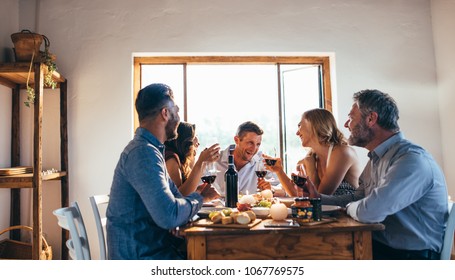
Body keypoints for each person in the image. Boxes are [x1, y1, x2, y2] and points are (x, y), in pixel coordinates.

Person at [304, 89, 448, 260]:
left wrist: (348, 207)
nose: (346, 125)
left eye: (351, 117)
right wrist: (317, 198)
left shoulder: (411, 160)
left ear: (371, 119)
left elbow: (369, 212)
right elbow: (358, 196)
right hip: (380, 247)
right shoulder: (377, 158)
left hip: (410, 258)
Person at [106, 83, 220, 260]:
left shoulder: (151, 150)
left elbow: (175, 200)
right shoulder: (143, 153)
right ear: (165, 113)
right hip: (143, 257)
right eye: (176, 110)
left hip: (153, 249)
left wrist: (194, 196)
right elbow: (169, 215)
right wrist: (200, 198)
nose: (179, 117)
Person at [265, 108, 361, 197]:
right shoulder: (312, 157)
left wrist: (311, 170)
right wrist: (279, 171)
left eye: (300, 126)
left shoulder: (342, 152)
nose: (297, 133)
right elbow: (298, 195)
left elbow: (319, 199)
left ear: (314, 125)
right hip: (328, 215)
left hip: (351, 214)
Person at [212, 121, 281, 196]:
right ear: (237, 140)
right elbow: (198, 189)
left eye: (258, 144)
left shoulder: (261, 161)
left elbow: (283, 190)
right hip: (218, 207)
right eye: (250, 143)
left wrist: (271, 189)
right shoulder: (215, 160)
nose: (254, 149)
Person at [164, 121, 220, 196]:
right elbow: (179, 197)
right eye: (195, 137)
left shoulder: (182, 162)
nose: (198, 143)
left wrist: (198, 191)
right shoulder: (171, 159)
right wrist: (200, 162)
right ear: (185, 141)